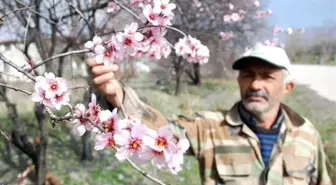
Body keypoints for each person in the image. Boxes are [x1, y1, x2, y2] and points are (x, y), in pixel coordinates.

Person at [87, 44, 332, 185]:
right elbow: (161, 130)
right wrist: (116, 94)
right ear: (239, 80)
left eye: (267, 76)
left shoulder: (307, 135)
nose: (256, 84)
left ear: (287, 87)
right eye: (248, 74)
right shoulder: (210, 127)